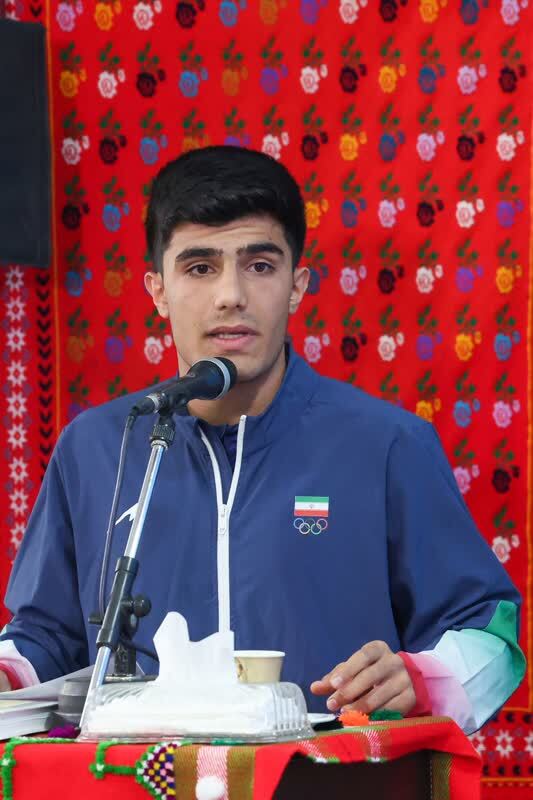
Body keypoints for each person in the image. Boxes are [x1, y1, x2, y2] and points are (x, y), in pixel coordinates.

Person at [0, 146, 525, 734]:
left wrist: (421, 678)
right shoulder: (98, 449)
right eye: (200, 268)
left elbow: (488, 633)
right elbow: (44, 637)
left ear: (297, 285)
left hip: (332, 776)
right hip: (144, 776)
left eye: (259, 265)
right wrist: (7, 673)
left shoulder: (387, 445)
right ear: (157, 290)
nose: (231, 295)